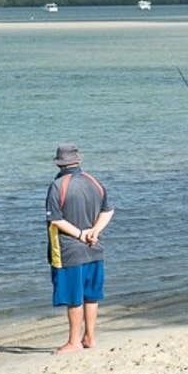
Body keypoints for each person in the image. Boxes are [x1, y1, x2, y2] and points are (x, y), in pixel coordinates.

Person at [45, 144, 114, 354]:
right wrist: (95, 231)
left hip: (69, 251)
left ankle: (74, 342)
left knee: (73, 297)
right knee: (91, 295)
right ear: (78, 160)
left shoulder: (57, 185)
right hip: (95, 247)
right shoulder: (94, 181)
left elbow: (55, 219)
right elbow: (108, 211)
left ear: (59, 164)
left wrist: (81, 234)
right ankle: (90, 337)